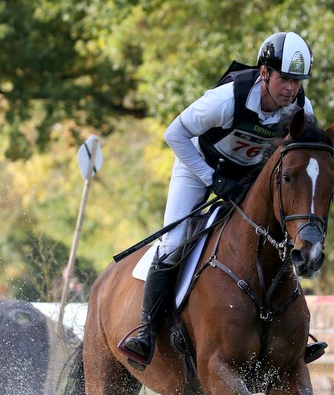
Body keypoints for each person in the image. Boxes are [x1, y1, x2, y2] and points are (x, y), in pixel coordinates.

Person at [120, 32, 318, 369]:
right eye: (284, 79)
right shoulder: (227, 100)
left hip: (247, 176)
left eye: (297, 82)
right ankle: (147, 331)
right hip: (198, 166)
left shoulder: (301, 108)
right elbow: (174, 134)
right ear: (265, 73)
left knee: (280, 237)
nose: (291, 89)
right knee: (174, 242)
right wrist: (211, 178)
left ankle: (291, 336)